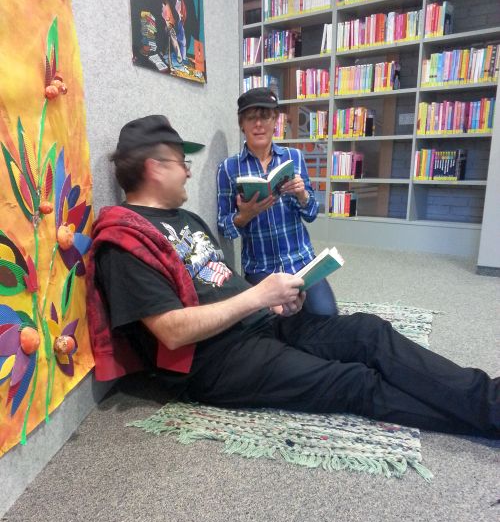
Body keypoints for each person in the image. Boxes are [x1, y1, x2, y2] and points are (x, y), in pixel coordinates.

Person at [86, 114, 500, 439]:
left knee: (369, 332)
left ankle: (488, 399)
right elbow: (172, 332)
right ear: (155, 168)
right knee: (355, 383)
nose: (188, 172)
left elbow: (220, 285)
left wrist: (274, 300)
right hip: (215, 362)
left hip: (260, 324)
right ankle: (488, 419)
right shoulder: (124, 243)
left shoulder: (186, 219)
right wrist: (257, 296)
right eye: (182, 162)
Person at [217, 87, 338, 316]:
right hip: (261, 268)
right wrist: (244, 216)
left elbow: (312, 213)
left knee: (327, 316)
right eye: (251, 118)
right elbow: (223, 226)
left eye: (265, 117)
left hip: (302, 261)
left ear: (275, 121)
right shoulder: (228, 168)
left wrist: (302, 195)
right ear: (242, 124)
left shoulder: (294, 157)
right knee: (272, 324)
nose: (258, 124)